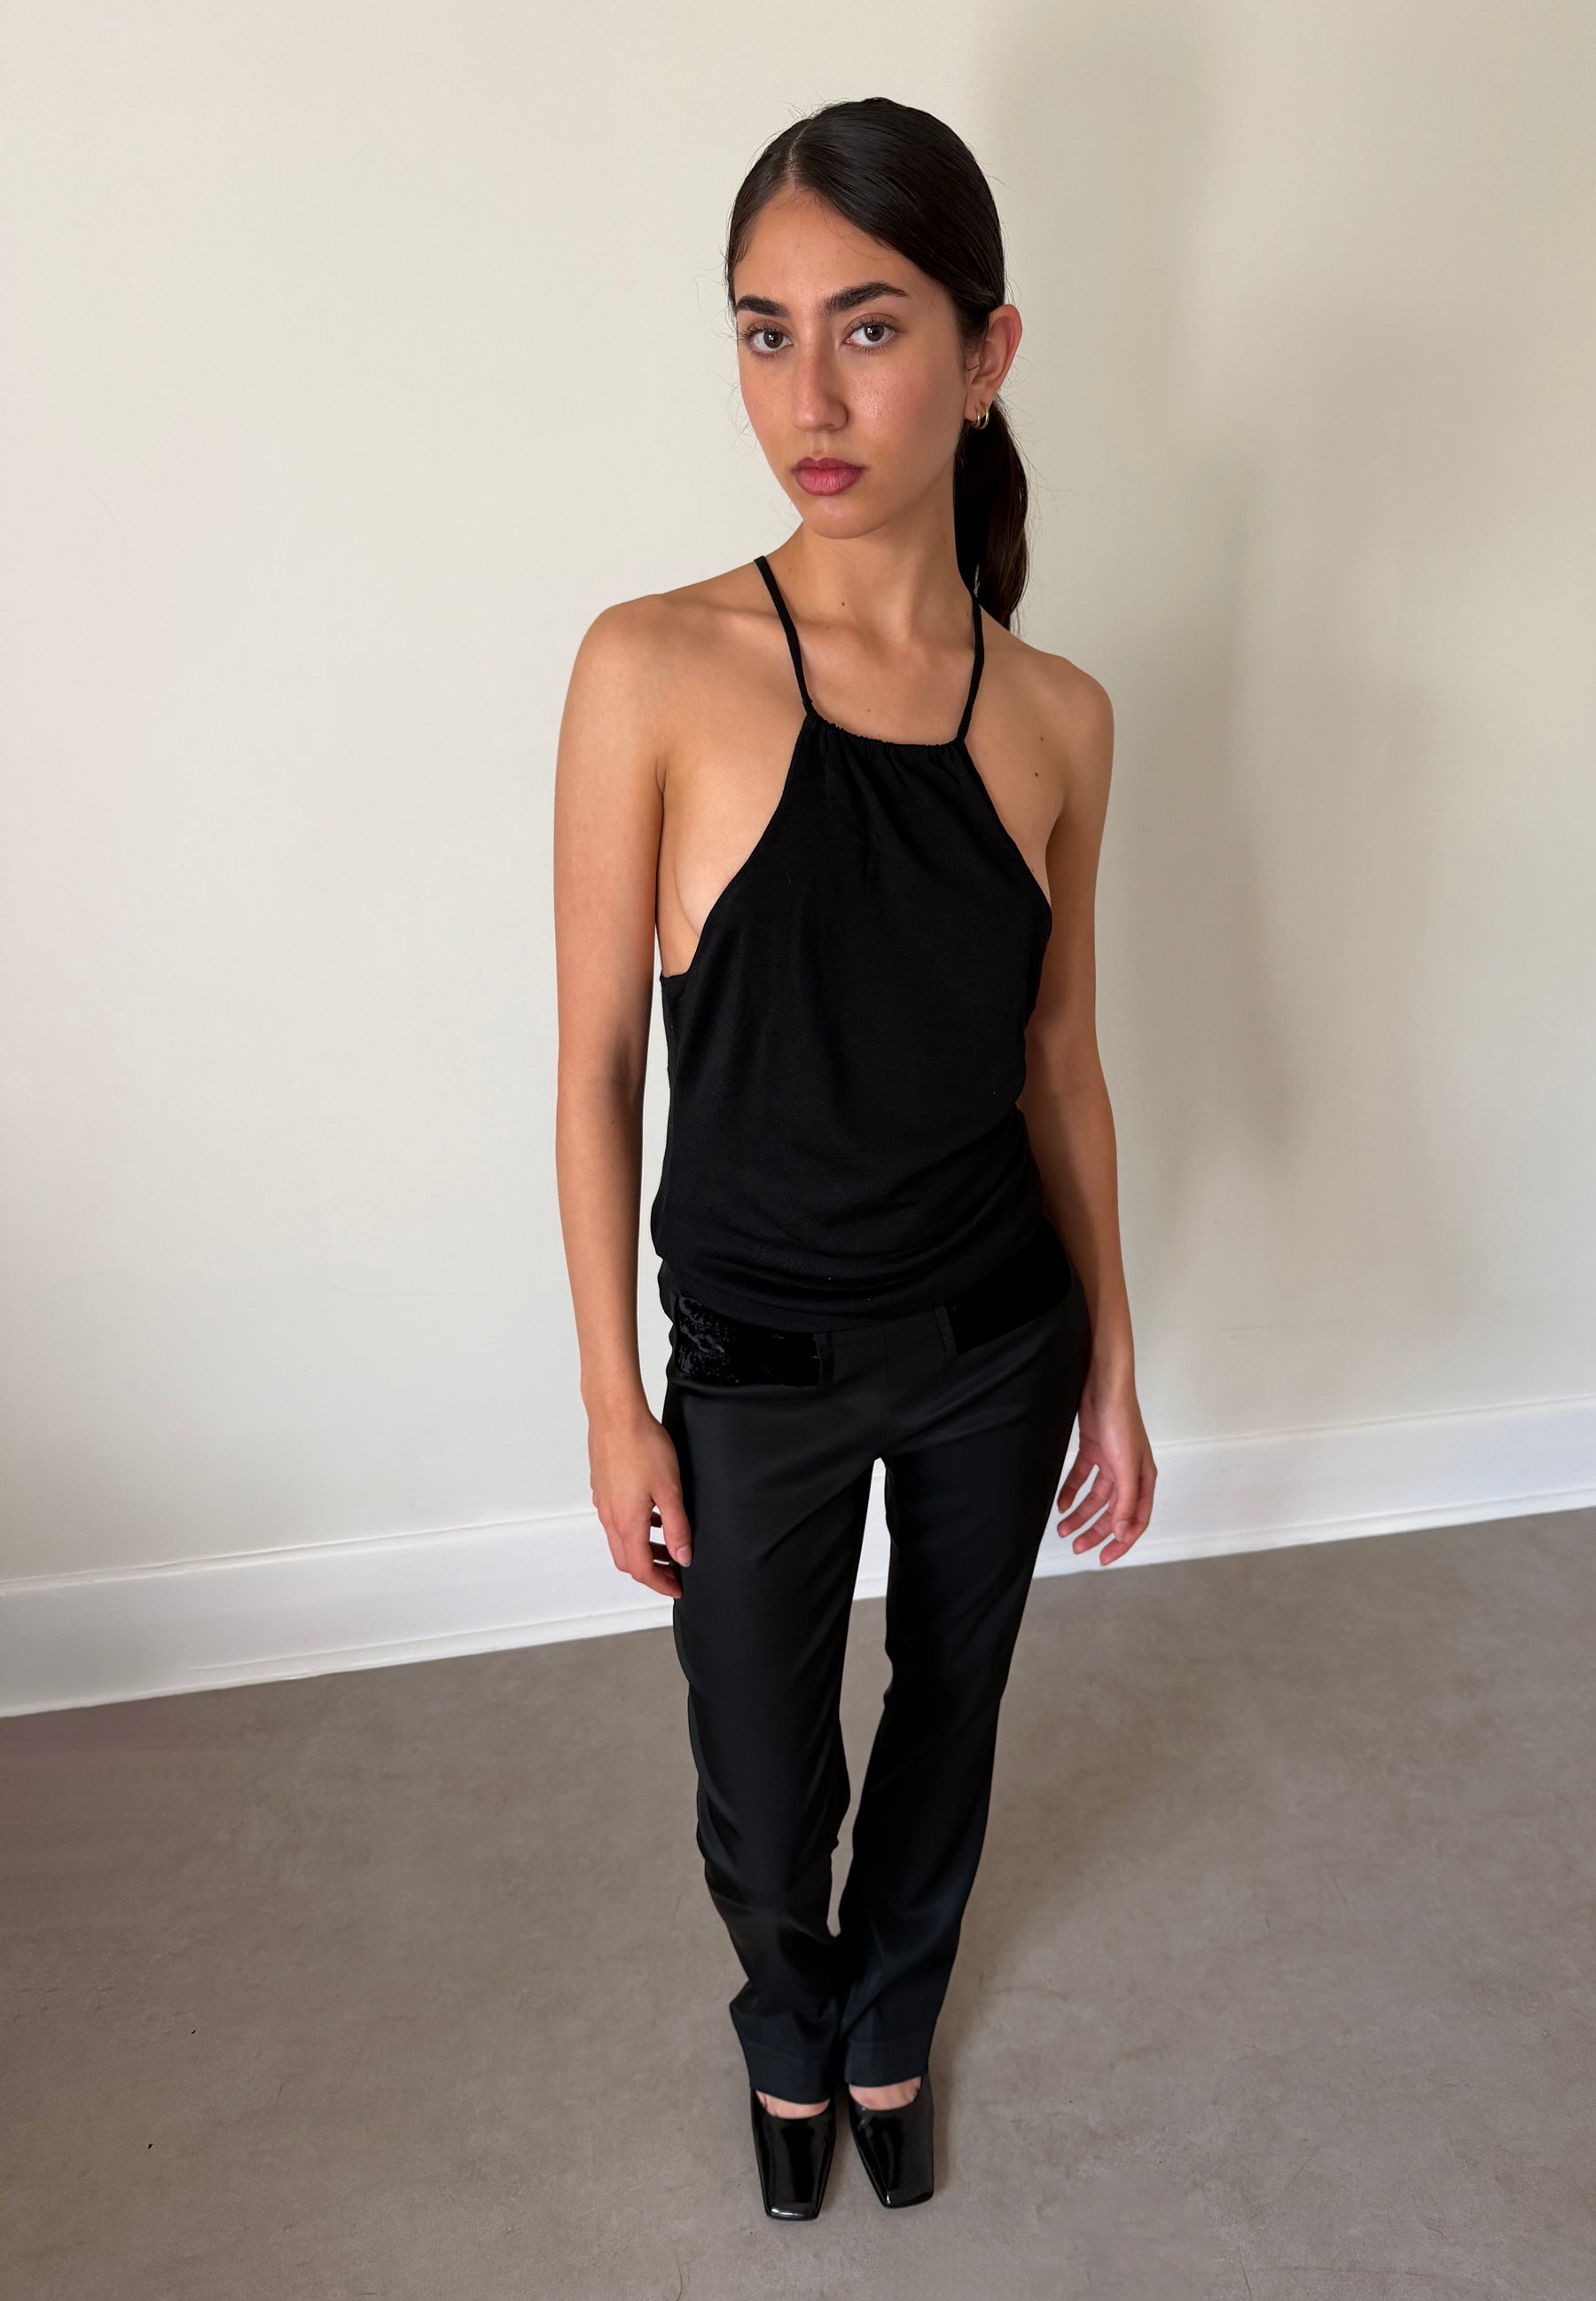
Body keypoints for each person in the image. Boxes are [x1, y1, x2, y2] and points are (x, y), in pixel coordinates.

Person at [552, 96, 1156, 2220]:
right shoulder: (652, 665)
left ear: (986, 353)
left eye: (868, 328)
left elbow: (1059, 1063)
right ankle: (785, 2015)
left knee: (950, 1709)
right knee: (757, 1774)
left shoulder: (1057, 714)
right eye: (764, 330)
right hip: (754, 1360)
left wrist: (1112, 1358)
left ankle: (889, 2020)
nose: (805, 397)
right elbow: (594, 1063)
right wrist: (615, 1399)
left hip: (995, 1331)